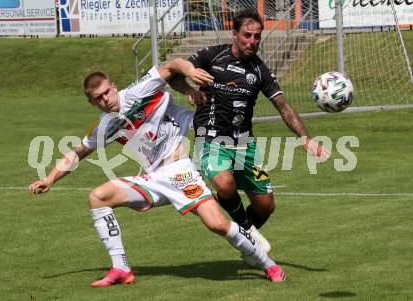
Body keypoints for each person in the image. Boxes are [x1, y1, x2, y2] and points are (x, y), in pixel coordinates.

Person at [29, 58, 286, 287]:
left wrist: (191, 72)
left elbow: (171, 65)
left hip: (181, 170)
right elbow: (76, 153)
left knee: (217, 224)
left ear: (114, 87)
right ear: (91, 101)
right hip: (152, 177)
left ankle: (268, 264)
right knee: (98, 197)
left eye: (107, 92)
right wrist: (49, 178)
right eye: (98, 98)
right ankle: (121, 268)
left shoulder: (140, 90)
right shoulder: (104, 126)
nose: (105, 99)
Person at [168, 9, 330, 263]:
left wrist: (306, 139)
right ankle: (249, 233)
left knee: (266, 205)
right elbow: (173, 75)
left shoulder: (260, 70)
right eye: (247, 35)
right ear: (235, 34)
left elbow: (283, 106)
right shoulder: (211, 56)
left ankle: (246, 241)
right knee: (223, 183)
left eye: (257, 36)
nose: (252, 41)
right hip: (211, 139)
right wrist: (190, 89)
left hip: (244, 143)